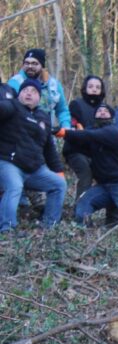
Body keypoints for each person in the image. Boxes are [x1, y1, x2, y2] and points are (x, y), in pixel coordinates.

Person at [57, 104, 118, 239]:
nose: (102, 112)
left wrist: (64, 132)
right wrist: (71, 133)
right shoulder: (92, 137)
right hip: (104, 186)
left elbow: (87, 136)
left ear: (112, 117)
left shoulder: (113, 132)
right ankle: (84, 235)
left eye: (106, 111)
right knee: (83, 204)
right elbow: (74, 147)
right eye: (99, 110)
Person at [0, 79, 67, 233]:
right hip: (8, 163)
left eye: (33, 91)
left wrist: (59, 171)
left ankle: (50, 226)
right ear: (19, 95)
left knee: (59, 184)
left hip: (34, 169)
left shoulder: (43, 117)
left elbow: (49, 148)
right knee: (15, 186)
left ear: (39, 97)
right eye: (25, 90)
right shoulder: (12, 106)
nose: (29, 93)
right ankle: (7, 228)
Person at [63, 75, 107, 200]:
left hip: (96, 152)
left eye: (97, 87)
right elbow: (75, 128)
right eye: (91, 86)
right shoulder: (76, 104)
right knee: (86, 174)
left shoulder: (104, 109)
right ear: (85, 88)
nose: (94, 89)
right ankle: (80, 212)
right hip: (76, 150)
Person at [7, 49, 71, 129]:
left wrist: (66, 127)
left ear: (42, 66)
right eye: (27, 63)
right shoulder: (15, 83)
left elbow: (62, 110)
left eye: (34, 63)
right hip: (20, 132)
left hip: (46, 133)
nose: (30, 66)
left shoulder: (53, 85)